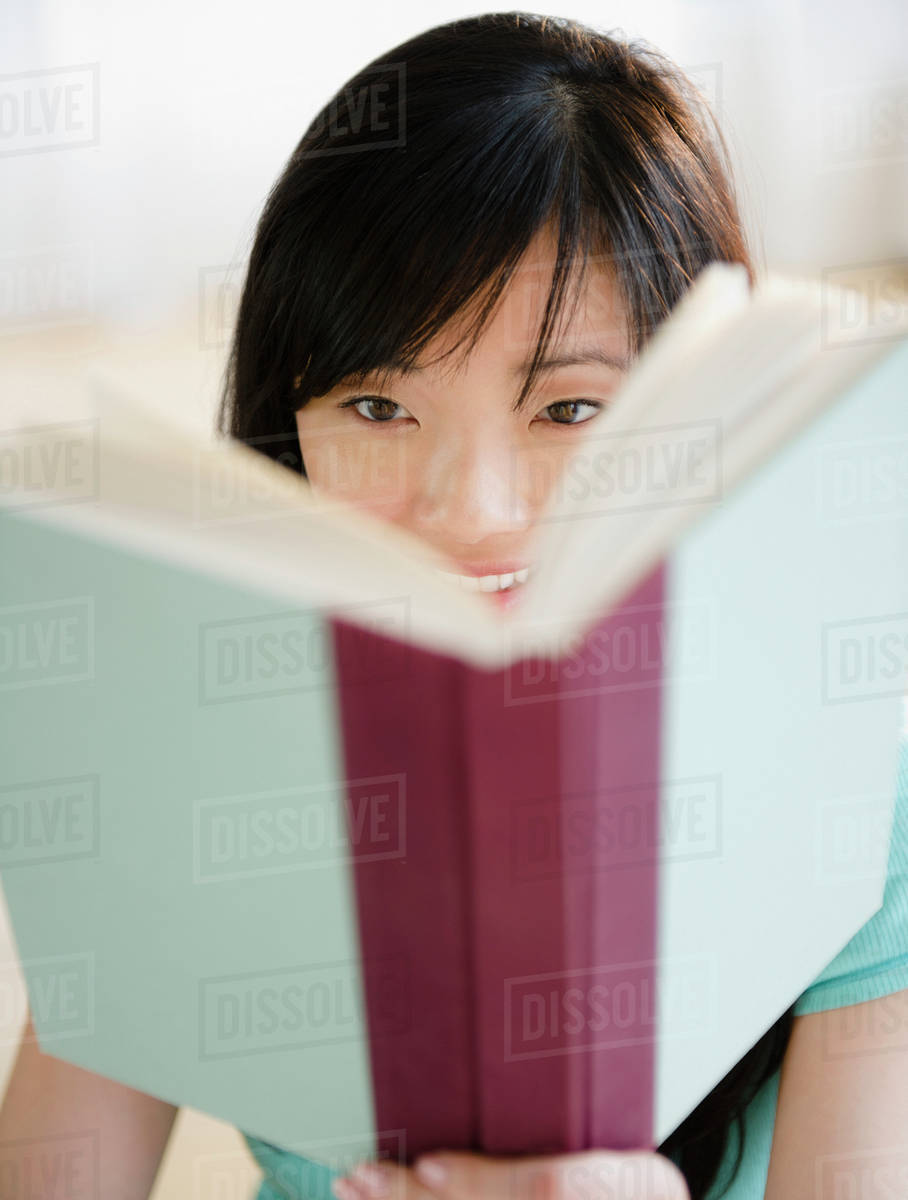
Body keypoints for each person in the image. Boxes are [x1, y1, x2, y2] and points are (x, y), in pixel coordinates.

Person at [1, 12, 905, 1200]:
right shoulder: (182, 747)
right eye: (377, 410)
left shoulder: (854, 762)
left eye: (569, 413)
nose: (469, 511)